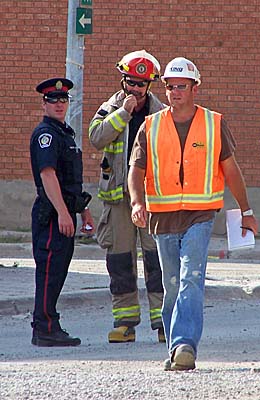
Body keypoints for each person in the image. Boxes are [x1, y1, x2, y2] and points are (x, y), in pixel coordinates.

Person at [128, 57, 258, 371]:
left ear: (195, 88)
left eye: (181, 86)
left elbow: (231, 169)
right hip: (163, 217)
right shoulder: (151, 125)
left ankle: (185, 345)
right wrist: (136, 202)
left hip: (200, 215)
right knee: (171, 284)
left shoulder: (213, 123)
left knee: (191, 278)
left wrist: (247, 210)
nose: (175, 92)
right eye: (170, 87)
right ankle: (175, 346)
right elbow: (136, 169)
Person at [88, 50, 166, 343]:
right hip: (118, 198)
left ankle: (162, 322)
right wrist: (123, 113)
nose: (134, 89)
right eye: (130, 82)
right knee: (120, 260)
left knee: (156, 259)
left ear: (150, 85)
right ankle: (125, 323)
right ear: (123, 80)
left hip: (151, 199)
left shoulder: (161, 112)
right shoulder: (111, 106)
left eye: (140, 84)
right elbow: (96, 137)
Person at [30, 77, 95, 346]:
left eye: (63, 99)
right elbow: (48, 176)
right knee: (49, 270)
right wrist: (63, 214)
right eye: (53, 100)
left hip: (65, 211)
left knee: (58, 270)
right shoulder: (46, 135)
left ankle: (50, 324)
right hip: (52, 215)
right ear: (44, 103)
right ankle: (44, 328)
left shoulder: (63, 134)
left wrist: (84, 210)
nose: (59, 104)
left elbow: (70, 181)